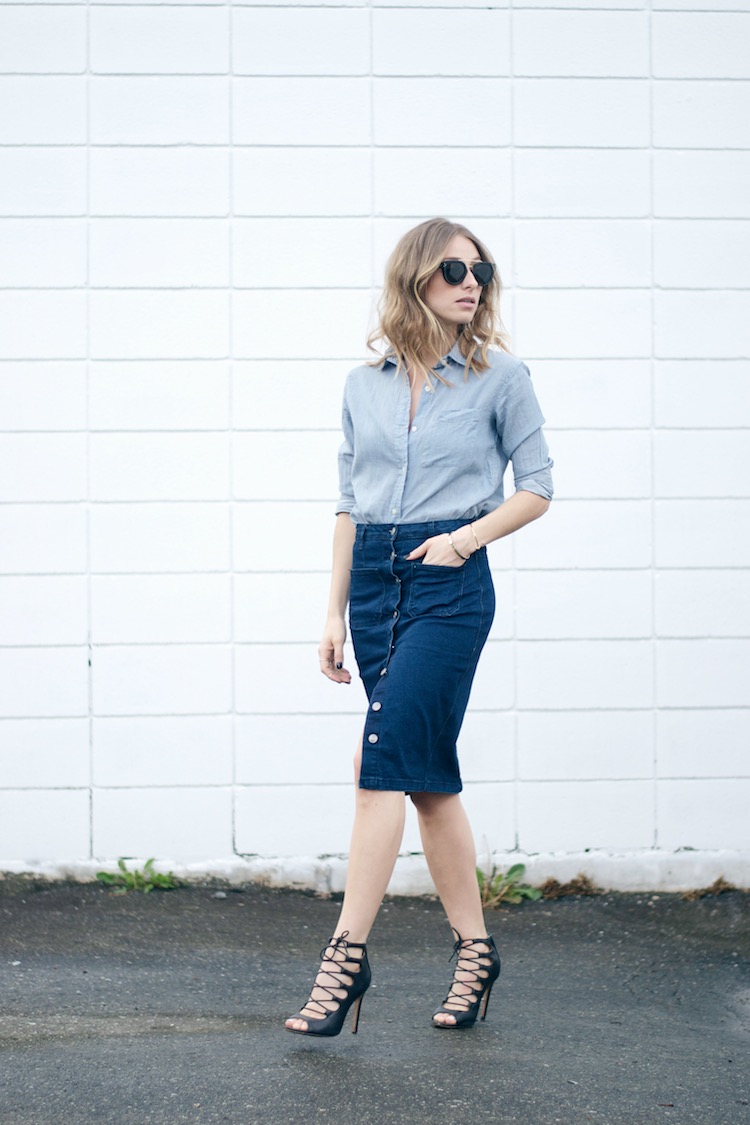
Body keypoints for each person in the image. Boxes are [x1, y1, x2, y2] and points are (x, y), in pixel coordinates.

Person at [284, 217, 553, 1037]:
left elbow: (537, 487)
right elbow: (347, 501)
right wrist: (331, 609)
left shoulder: (502, 378)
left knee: (382, 763)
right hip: (372, 582)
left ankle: (344, 960)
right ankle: (477, 951)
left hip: (450, 586)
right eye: (453, 268)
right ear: (415, 278)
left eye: (482, 270)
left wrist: (465, 539)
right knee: (428, 777)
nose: (471, 281)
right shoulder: (361, 386)